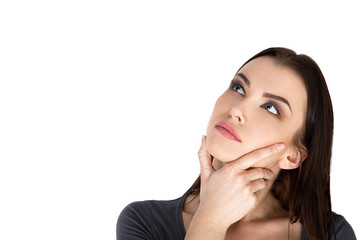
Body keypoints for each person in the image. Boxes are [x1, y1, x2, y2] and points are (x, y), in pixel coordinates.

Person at [117, 47, 356, 240]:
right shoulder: (143, 222)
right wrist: (211, 219)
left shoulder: (331, 234)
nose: (236, 109)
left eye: (270, 107)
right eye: (239, 88)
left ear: (293, 156)